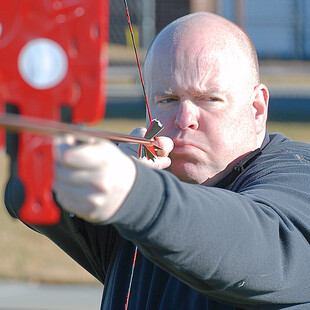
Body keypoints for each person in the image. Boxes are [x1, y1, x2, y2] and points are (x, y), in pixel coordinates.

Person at [5, 12, 310, 309]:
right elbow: (24, 192)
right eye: (167, 100)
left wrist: (135, 192)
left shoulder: (296, 175)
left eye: (209, 99)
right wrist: (96, 166)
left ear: (257, 108)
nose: (185, 118)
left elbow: (261, 248)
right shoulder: (141, 187)